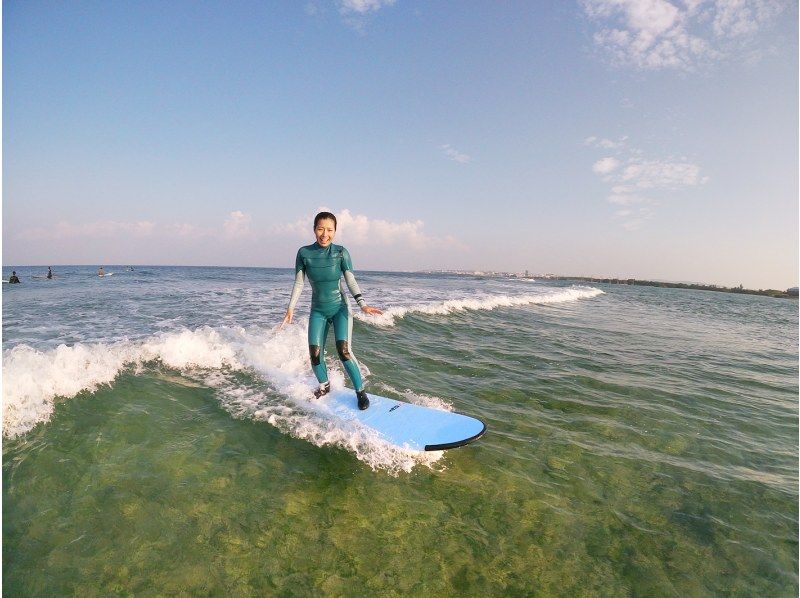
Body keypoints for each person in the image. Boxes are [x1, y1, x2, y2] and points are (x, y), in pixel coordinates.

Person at [282, 211, 383, 410]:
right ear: (314, 229)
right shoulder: (304, 253)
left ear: (335, 231)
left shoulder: (340, 252)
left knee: (344, 351)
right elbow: (299, 283)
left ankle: (360, 392)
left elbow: (350, 279)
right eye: (320, 229)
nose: (324, 234)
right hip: (318, 310)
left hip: (339, 308)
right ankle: (324, 385)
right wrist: (290, 308)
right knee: (314, 352)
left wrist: (362, 304)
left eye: (329, 230)